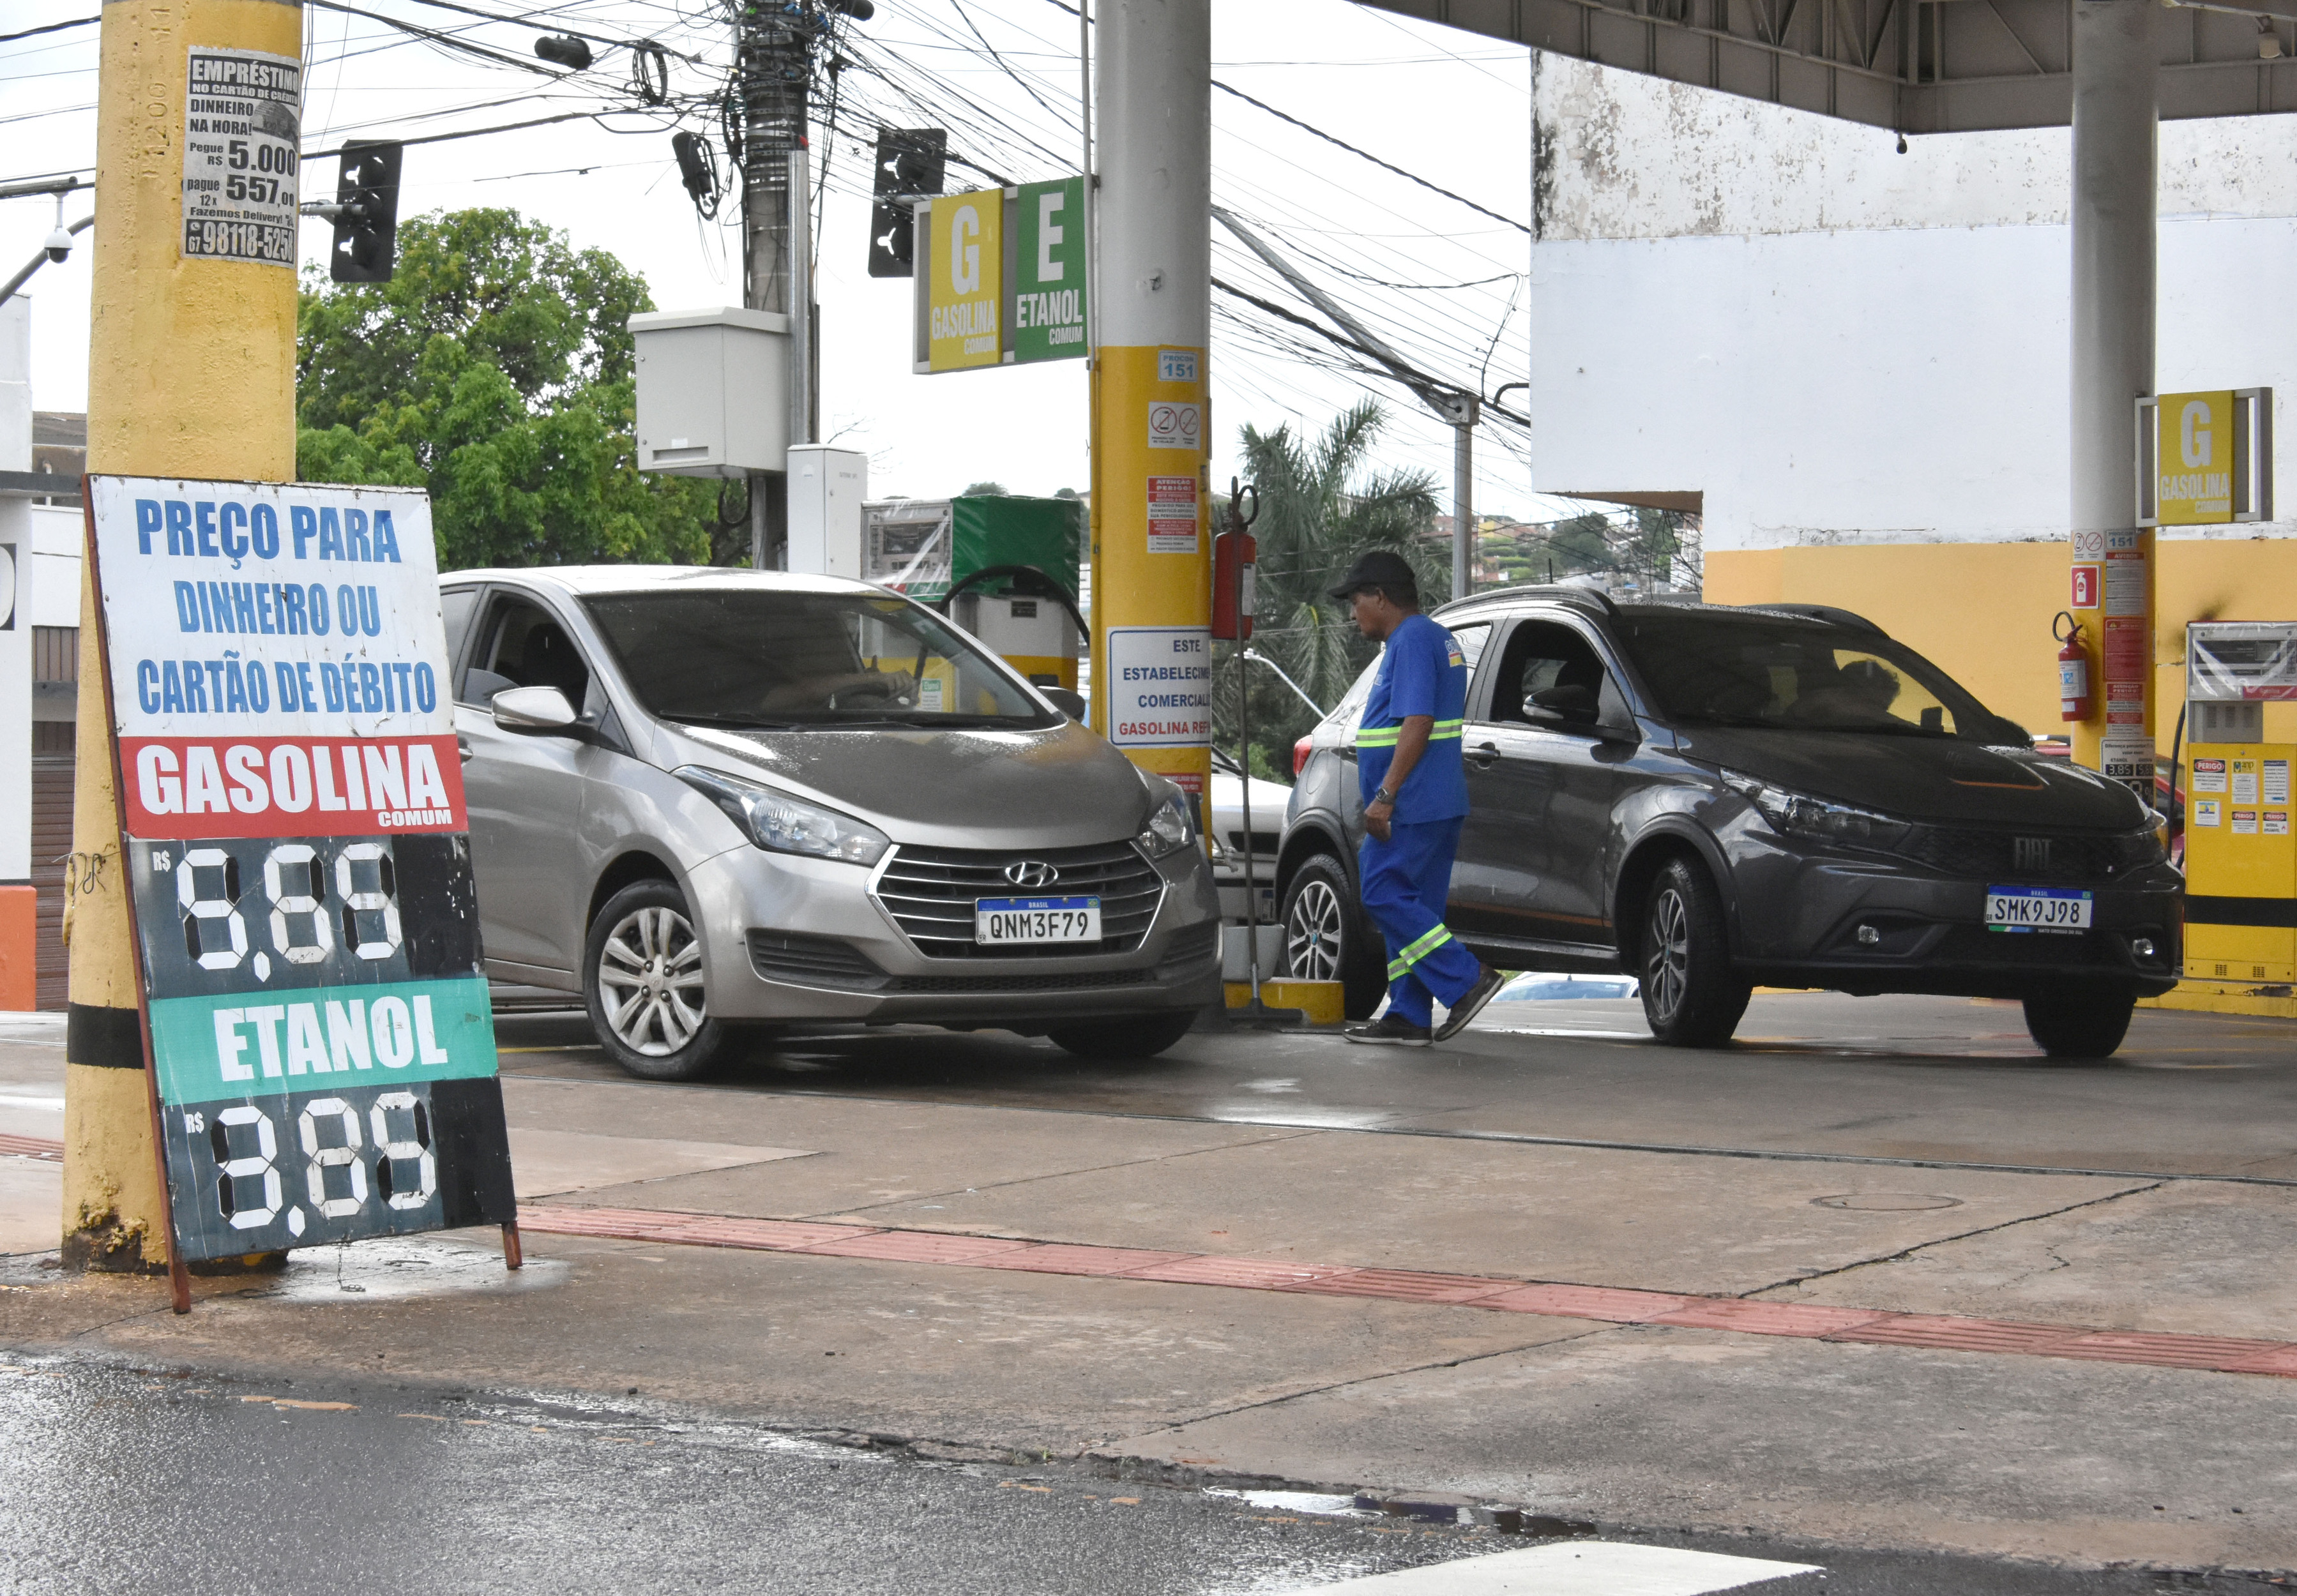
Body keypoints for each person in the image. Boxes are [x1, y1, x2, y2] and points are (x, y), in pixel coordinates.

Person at [1329, 551, 1506, 1046]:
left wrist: (1385, 795)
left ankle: (1466, 980)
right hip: (1437, 799)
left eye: (1356, 600)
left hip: (1409, 803)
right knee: (1414, 909)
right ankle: (1407, 1012)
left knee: (1382, 895)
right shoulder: (1437, 637)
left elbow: (1417, 722)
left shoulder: (1409, 640)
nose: (1353, 613)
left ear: (1380, 597)